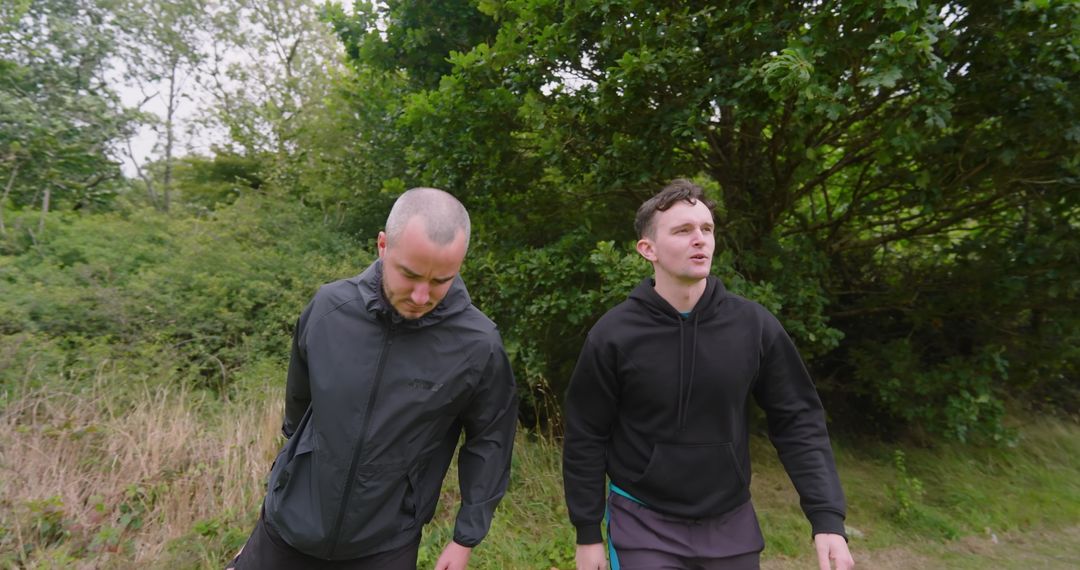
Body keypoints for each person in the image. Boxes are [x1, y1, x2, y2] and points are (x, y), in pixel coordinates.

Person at [562, 179, 854, 570]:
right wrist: (587, 533)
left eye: (707, 229)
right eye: (683, 230)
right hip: (642, 521)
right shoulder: (614, 334)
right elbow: (585, 434)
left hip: (730, 522)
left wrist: (827, 519)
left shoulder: (754, 326)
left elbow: (798, 421)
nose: (699, 239)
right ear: (648, 249)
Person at [229, 188, 518, 570]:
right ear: (383, 246)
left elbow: (491, 441)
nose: (420, 295)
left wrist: (465, 539)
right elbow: (297, 413)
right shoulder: (330, 309)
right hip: (287, 528)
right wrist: (280, 496)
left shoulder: (477, 345)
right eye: (410, 274)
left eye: (440, 280)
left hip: (385, 545)